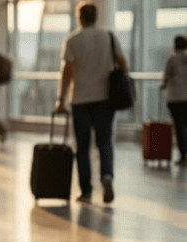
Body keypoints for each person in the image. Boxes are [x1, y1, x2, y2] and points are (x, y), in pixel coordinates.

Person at [54, 1, 126, 204]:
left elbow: (67, 72)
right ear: (96, 16)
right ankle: (107, 176)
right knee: (105, 141)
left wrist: (61, 99)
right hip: (105, 98)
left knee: (83, 146)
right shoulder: (109, 36)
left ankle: (86, 191)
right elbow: (123, 63)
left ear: (80, 17)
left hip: (81, 99)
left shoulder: (73, 40)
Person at [162, 35, 187, 167]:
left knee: (179, 127)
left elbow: (166, 76)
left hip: (175, 98)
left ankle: (183, 156)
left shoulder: (172, 58)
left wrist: (164, 84)